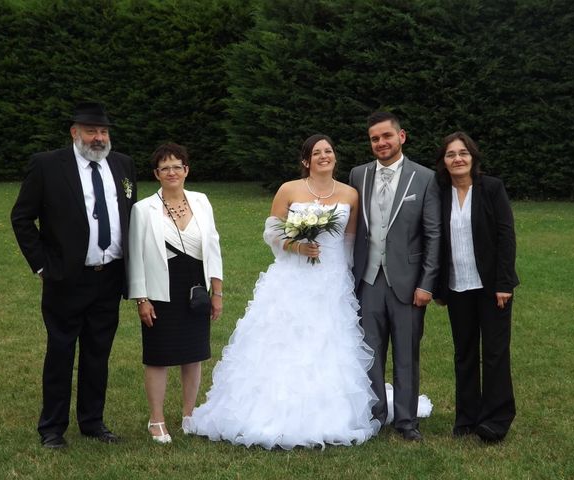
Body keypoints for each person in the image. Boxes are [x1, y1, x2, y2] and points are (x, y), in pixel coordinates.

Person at [186, 134, 380, 449]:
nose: (324, 156)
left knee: (327, 343)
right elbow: (272, 232)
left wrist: (345, 281)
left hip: (331, 281)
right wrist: (298, 246)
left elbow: (349, 242)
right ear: (306, 160)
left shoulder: (350, 194)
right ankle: (267, 411)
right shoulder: (289, 189)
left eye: (328, 151)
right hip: (292, 276)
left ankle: (331, 415)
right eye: (316, 153)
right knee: (281, 339)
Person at [11, 102, 136, 448]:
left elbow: (130, 216)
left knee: (98, 352)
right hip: (66, 277)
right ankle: (52, 428)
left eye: (104, 131)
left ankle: (93, 422)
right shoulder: (48, 165)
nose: (99, 138)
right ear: (74, 132)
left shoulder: (123, 164)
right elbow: (22, 217)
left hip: (109, 276)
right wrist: (42, 264)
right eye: (92, 131)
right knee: (61, 351)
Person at [349, 112, 441, 442]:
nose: (381, 143)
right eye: (375, 138)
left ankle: (406, 420)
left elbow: (433, 235)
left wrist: (426, 284)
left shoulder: (425, 177)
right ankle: (375, 415)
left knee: (406, 354)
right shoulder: (357, 175)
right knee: (370, 353)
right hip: (369, 280)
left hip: (408, 283)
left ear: (402, 136)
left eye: (387, 136)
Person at [127, 143, 223, 444]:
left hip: (195, 287)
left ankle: (189, 415)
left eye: (177, 166)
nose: (172, 172)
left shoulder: (201, 201)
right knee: (158, 357)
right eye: (165, 167)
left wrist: (216, 291)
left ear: (186, 170)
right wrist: (142, 299)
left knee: (193, 355)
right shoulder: (143, 209)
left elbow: (213, 245)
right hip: (159, 290)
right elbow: (135, 256)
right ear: (157, 174)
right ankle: (156, 420)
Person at [434, 131, 518, 443]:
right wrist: (439, 286)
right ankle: (466, 418)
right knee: (464, 353)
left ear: (473, 157)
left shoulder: (491, 188)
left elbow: (506, 236)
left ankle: (496, 420)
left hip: (491, 286)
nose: (457, 159)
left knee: (495, 353)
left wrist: (504, 283)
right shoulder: (439, 192)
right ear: (443, 161)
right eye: (450, 154)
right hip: (457, 287)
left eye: (463, 153)